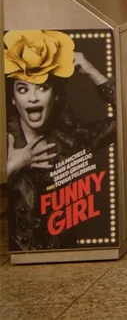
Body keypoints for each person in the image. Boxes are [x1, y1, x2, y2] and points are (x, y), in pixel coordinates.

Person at [5, 30, 115, 252]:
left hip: (64, 253)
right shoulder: (5, 141)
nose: (33, 97)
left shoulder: (72, 137)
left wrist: (92, 72)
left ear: (55, 96)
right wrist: (11, 167)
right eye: (23, 89)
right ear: (14, 101)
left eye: (42, 88)